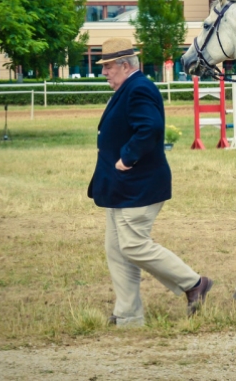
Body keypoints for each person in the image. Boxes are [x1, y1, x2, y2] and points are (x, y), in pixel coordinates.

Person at [88, 38, 213, 327]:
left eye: (107, 67)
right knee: (117, 250)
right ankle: (128, 315)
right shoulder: (130, 87)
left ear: (124, 65)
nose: (104, 72)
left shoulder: (140, 87)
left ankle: (194, 283)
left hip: (138, 184)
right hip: (121, 186)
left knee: (132, 246)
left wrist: (127, 158)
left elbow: (151, 128)